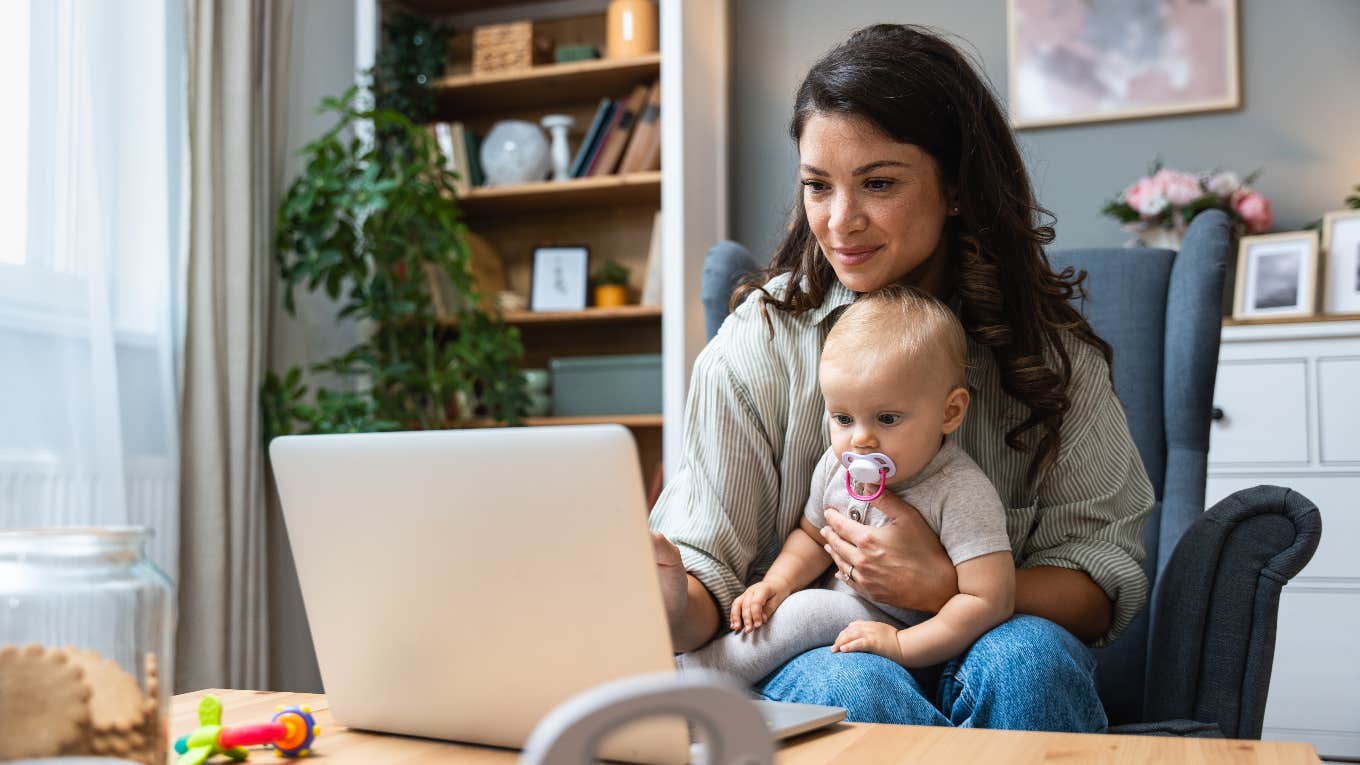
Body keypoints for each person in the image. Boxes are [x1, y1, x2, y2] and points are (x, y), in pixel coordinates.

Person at [648, 23, 1154, 731]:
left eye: (878, 183)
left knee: (1030, 662)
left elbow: (1100, 578)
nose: (841, 222)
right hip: (828, 645)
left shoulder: (1050, 352)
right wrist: (667, 593)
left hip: (998, 635)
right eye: (817, 187)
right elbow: (709, 580)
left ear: (954, 186)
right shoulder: (758, 341)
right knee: (850, 681)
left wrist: (946, 586)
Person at [676, 286, 1014, 684]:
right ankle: (709, 676)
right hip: (849, 625)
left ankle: (701, 677)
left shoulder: (960, 491)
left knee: (809, 612)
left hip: (915, 635)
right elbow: (812, 536)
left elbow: (990, 599)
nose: (861, 441)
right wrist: (776, 583)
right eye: (842, 418)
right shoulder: (837, 467)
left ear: (950, 412)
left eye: (887, 419)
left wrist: (903, 645)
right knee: (796, 607)